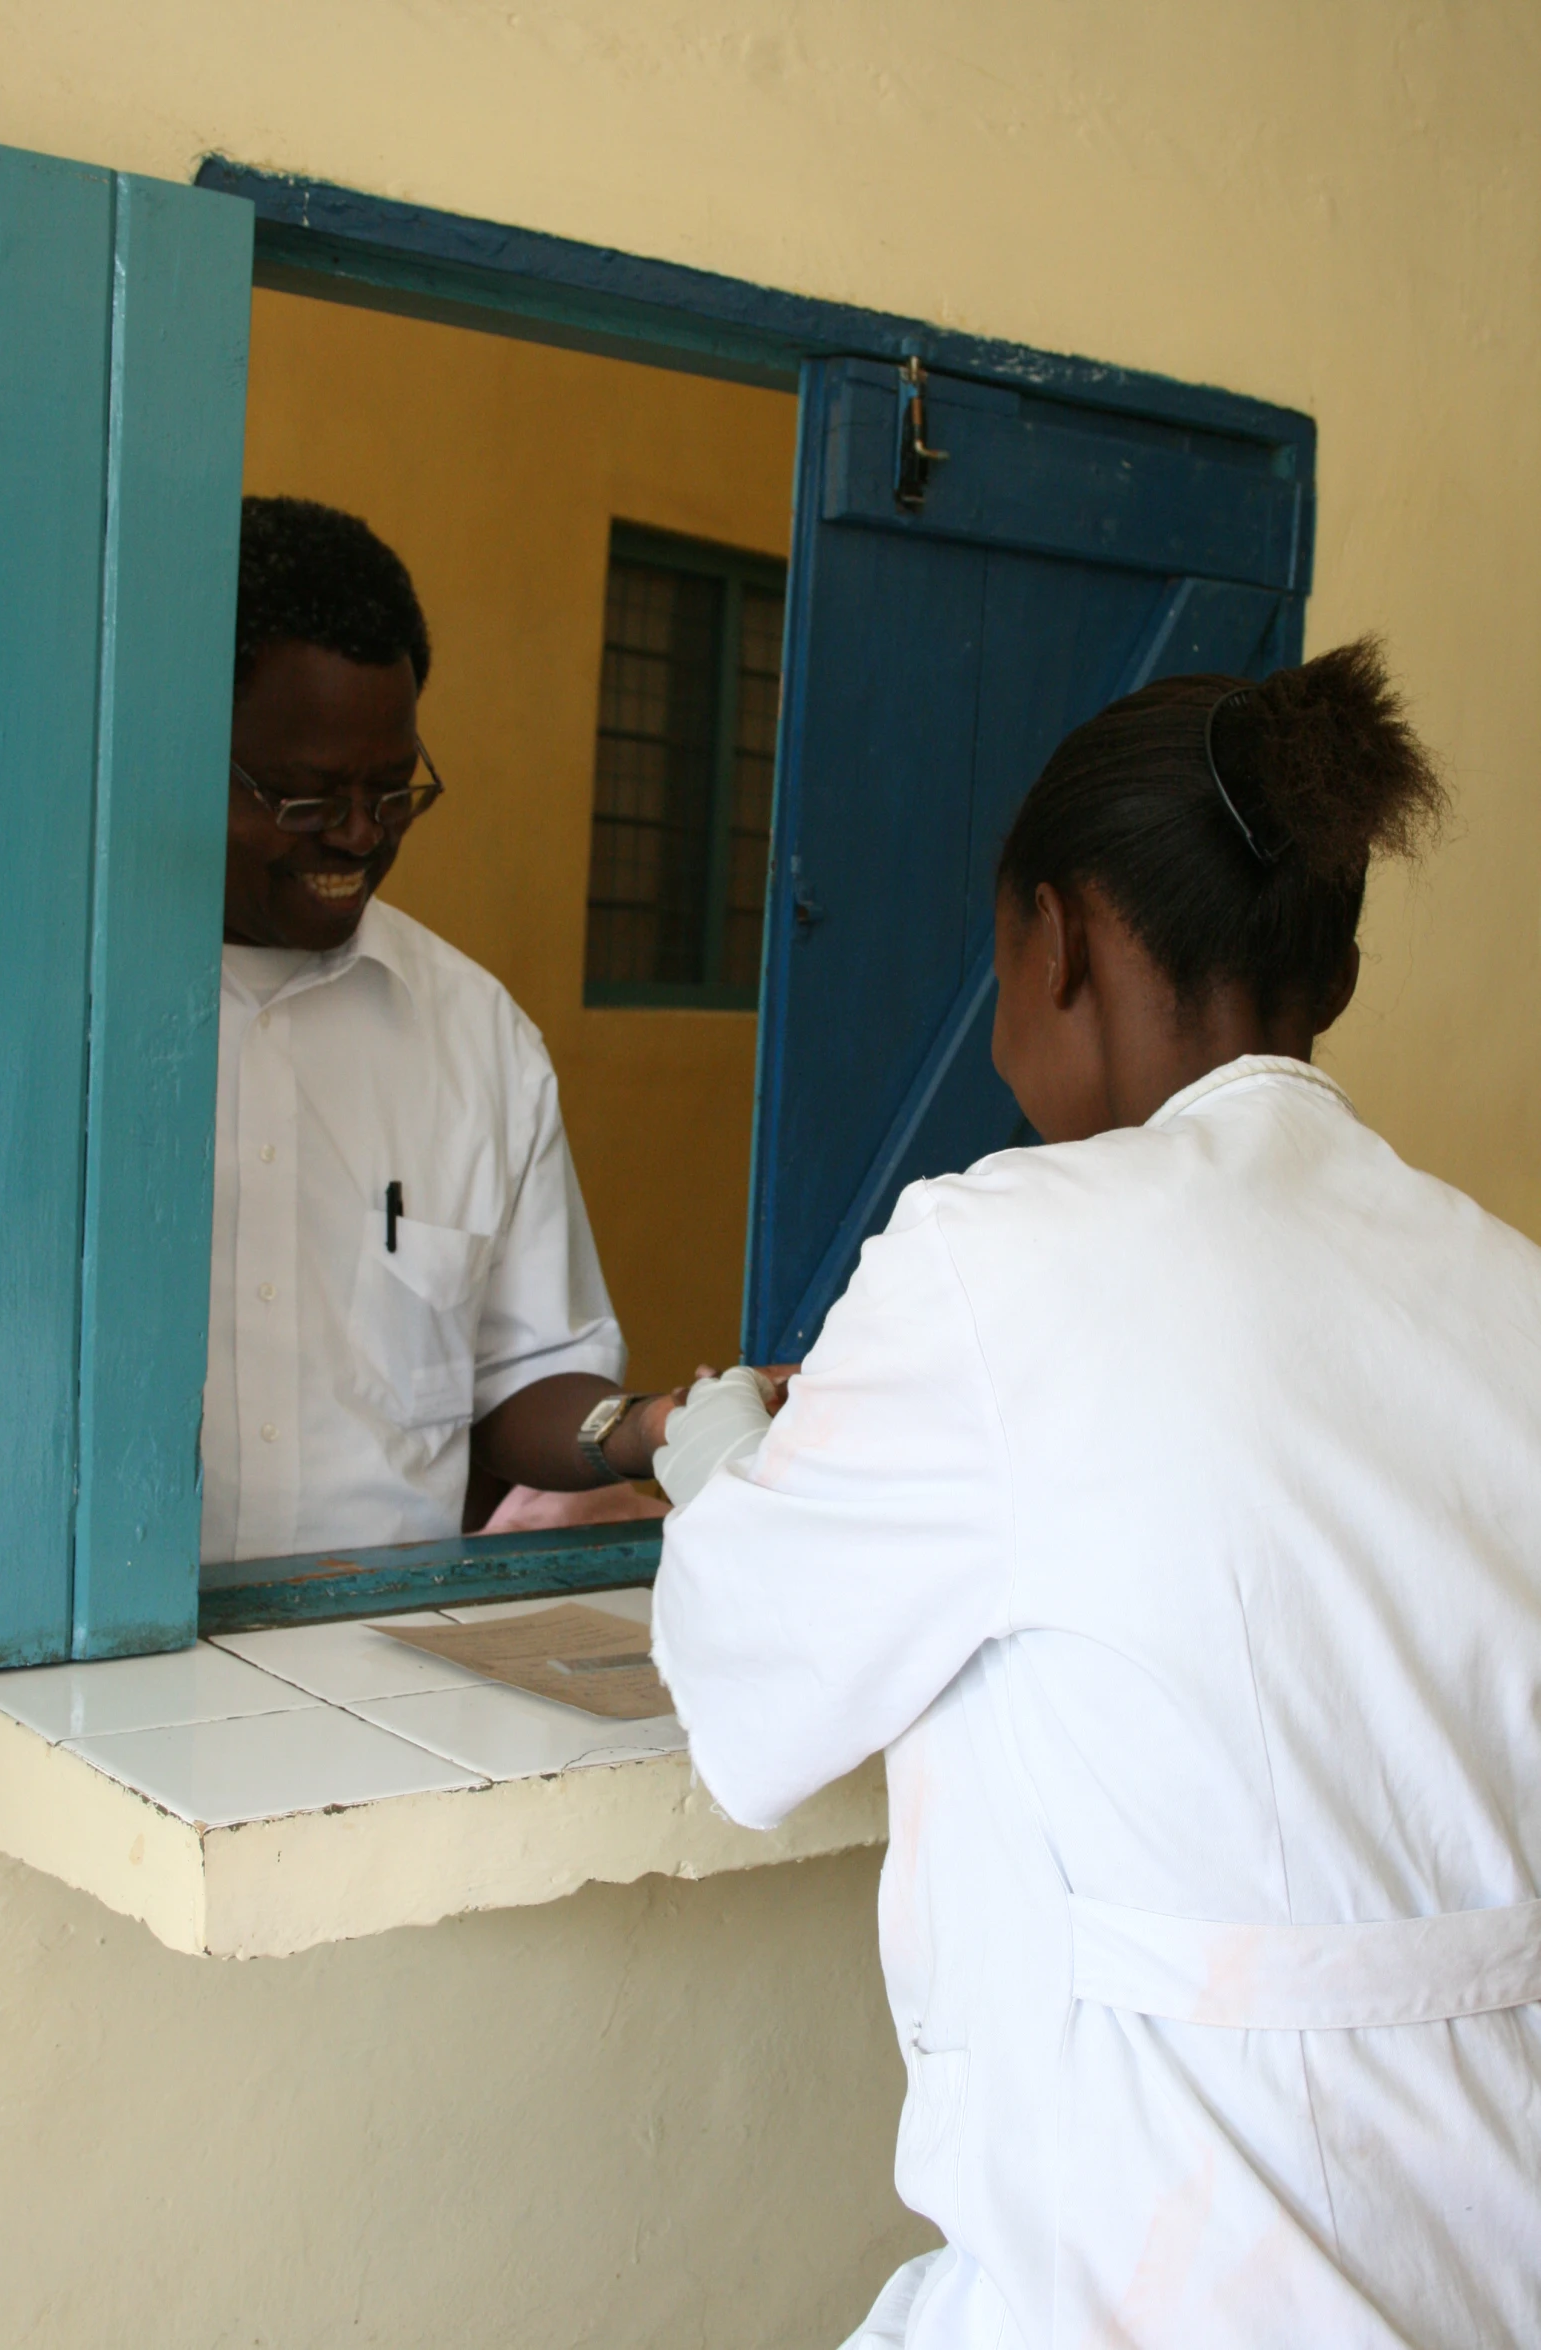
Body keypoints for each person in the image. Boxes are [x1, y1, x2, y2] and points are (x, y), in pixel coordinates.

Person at [650, 642, 1541, 2349]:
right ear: (1332, 971)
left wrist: (718, 1467)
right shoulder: (1498, 1286)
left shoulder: (999, 1260)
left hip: (1170, 2291)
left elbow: (752, 1714)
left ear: (1054, 944)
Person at [202, 495, 665, 1566]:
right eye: (309, 798)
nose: (360, 836)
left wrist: (645, 1430)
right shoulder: (41, 1018)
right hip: (83, 1683)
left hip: (380, 1660)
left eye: (391, 789)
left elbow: (524, 1374)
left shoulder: (476, 1036)